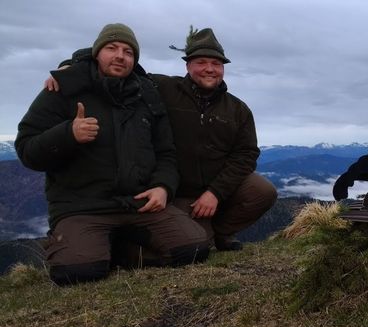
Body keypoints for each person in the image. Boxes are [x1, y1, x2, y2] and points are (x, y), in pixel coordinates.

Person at [46, 27, 278, 252]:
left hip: (216, 191)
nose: (210, 69)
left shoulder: (238, 109)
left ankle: (221, 232)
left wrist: (215, 193)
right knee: (194, 246)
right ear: (188, 65)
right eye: (201, 62)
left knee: (261, 190)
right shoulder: (161, 88)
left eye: (216, 63)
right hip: (175, 195)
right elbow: (120, 63)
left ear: (223, 68)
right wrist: (72, 64)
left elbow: (246, 155)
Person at [17, 23, 209, 285]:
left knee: (195, 248)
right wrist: (68, 134)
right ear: (96, 53)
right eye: (112, 48)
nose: (120, 56)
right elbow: (27, 150)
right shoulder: (63, 89)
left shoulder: (147, 94)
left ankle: (116, 249)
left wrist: (163, 187)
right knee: (77, 272)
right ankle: (86, 246)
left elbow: (166, 152)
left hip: (138, 203)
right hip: (82, 207)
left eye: (128, 52)